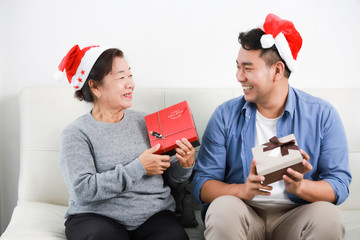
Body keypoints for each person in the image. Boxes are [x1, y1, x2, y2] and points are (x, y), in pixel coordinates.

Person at [193, 13, 351, 240]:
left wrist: (301, 188)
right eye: (238, 67)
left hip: (297, 213)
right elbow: (202, 183)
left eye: (247, 68)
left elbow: (339, 184)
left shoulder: (322, 115)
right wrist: (242, 190)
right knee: (222, 208)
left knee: (329, 216)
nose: (239, 76)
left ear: (277, 70)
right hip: (244, 212)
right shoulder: (225, 115)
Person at [58, 45, 195, 240]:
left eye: (130, 75)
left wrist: (184, 165)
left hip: (153, 216)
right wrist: (139, 167)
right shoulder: (76, 133)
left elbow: (171, 177)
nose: (130, 84)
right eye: (121, 77)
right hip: (96, 218)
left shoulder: (147, 121)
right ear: (95, 86)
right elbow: (83, 190)